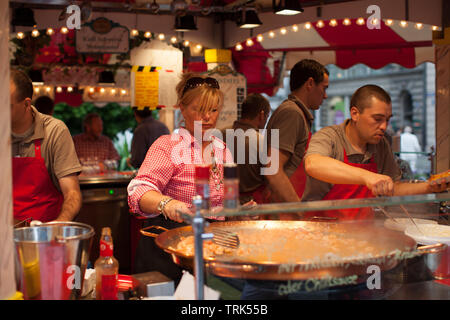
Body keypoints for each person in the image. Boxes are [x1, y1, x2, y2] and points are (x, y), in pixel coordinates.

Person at [127, 73, 234, 283]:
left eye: (213, 110)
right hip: (172, 250)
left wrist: (239, 210)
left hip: (211, 248)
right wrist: (168, 204)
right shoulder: (167, 145)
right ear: (182, 108)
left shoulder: (222, 149)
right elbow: (138, 190)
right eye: (199, 110)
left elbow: (226, 199)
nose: (207, 117)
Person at [302, 84, 449, 220]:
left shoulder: (380, 144)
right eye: (377, 119)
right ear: (355, 114)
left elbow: (393, 186)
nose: (384, 126)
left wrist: (429, 186)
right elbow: (313, 164)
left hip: (362, 230)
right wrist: (368, 177)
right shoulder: (329, 136)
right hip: (321, 226)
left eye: (387, 120)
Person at [10, 69, 82, 224]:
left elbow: (72, 193)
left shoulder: (54, 131)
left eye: (7, 106)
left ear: (26, 104)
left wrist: (60, 224)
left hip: (44, 234)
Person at [261, 59, 329, 216]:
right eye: (324, 88)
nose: (325, 96)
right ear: (310, 83)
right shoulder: (292, 113)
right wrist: (299, 211)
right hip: (284, 211)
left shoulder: (296, 112)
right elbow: (273, 170)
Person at [227, 93, 271, 204]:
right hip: (252, 206)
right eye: (267, 116)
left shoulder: (219, 136)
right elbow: (271, 179)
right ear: (261, 115)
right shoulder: (262, 142)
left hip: (224, 204)